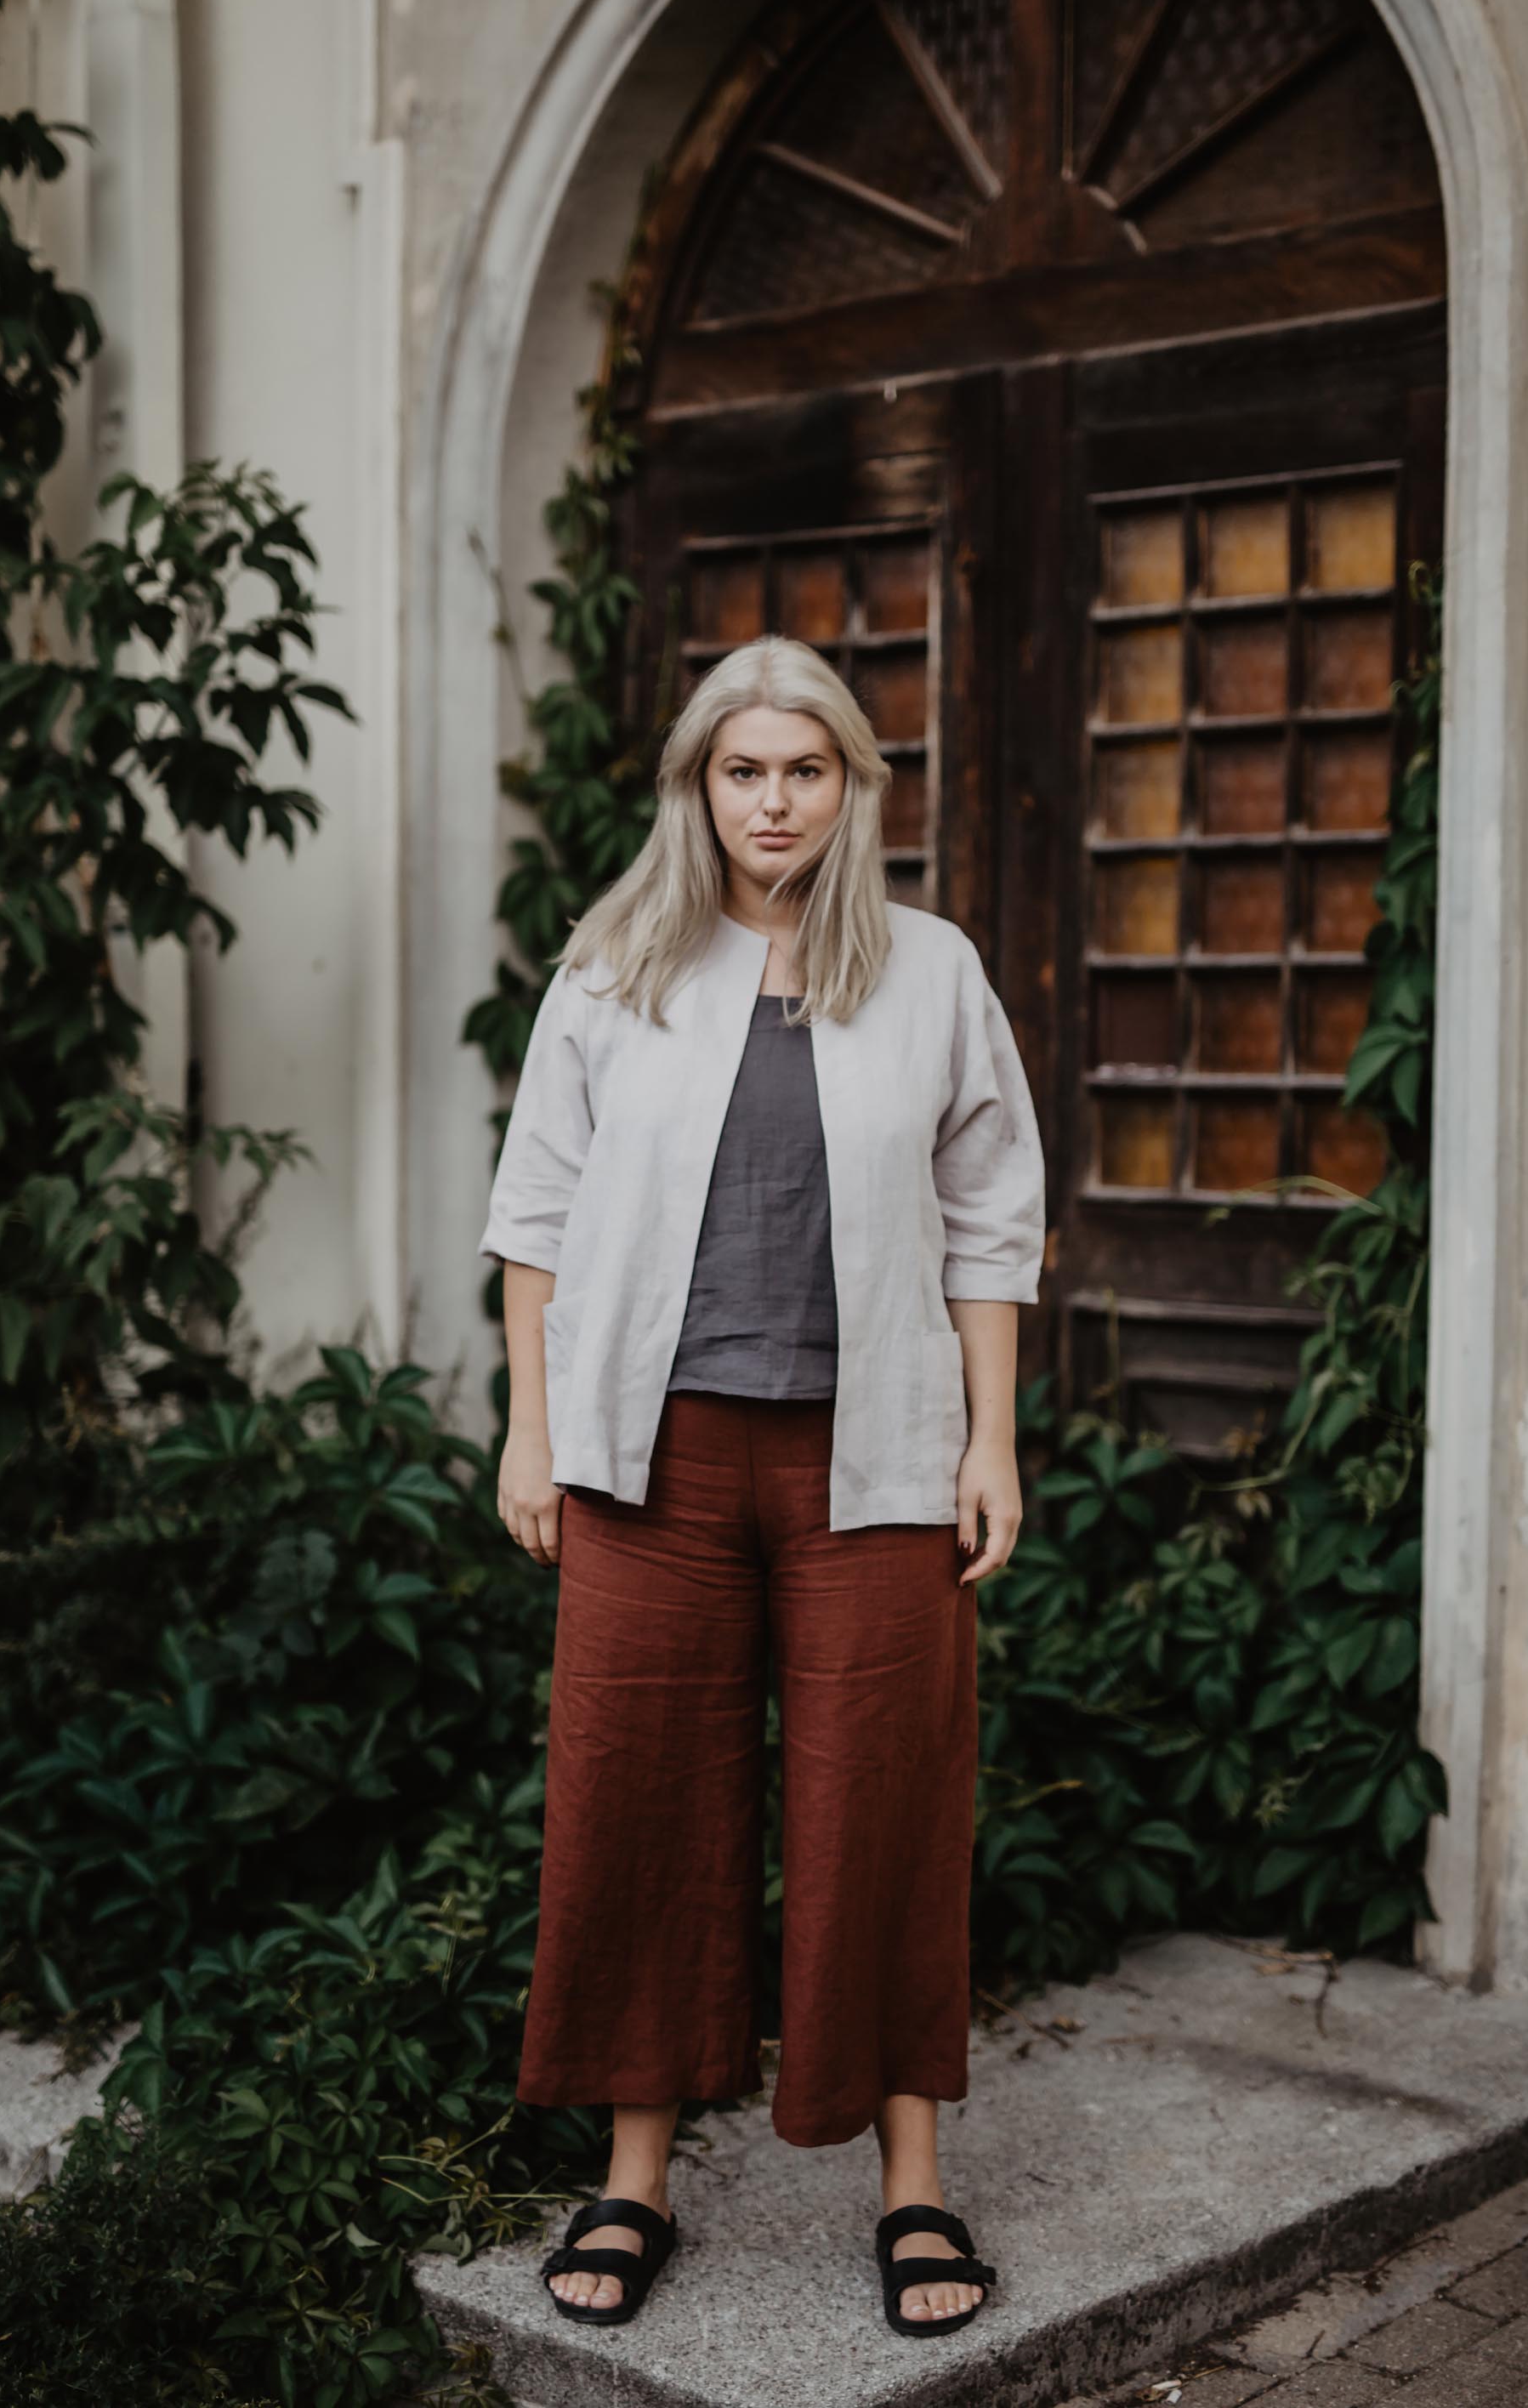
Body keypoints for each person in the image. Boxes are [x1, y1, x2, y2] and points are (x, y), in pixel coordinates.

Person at [477, 633, 1045, 2338]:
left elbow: (989, 1220)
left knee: (886, 1804)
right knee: (633, 1799)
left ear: (851, 787)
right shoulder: (612, 973)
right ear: (697, 786)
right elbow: (537, 1217)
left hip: (869, 1468)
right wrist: (529, 1432)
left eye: (806, 770)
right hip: (655, 1467)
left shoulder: (931, 974)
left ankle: (913, 2185)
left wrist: (990, 1438)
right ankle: (633, 2178)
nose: (774, 801)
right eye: (744, 770)